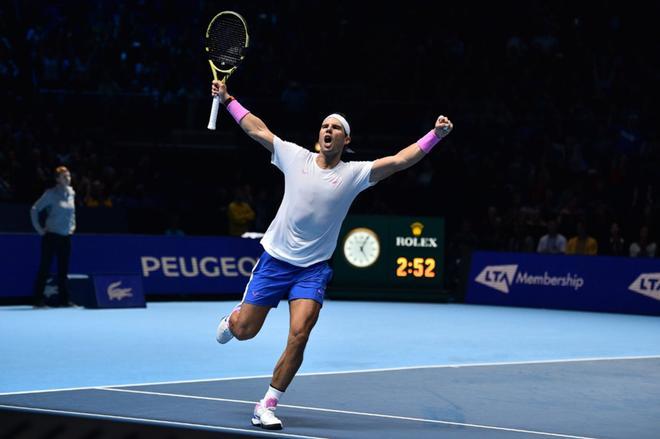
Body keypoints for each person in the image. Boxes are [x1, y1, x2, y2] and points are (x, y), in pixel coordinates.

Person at [211, 79, 453, 430]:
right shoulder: (295, 157)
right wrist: (228, 99)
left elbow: (401, 160)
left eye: (336, 127)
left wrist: (435, 136)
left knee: (300, 334)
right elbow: (258, 130)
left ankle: (267, 402)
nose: (328, 130)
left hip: (312, 270)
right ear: (318, 135)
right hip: (276, 260)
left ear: (346, 140)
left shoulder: (354, 174)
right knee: (245, 330)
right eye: (325, 125)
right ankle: (235, 318)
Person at [30, 166, 76, 308]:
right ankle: (38, 301)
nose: (67, 178)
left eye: (68, 176)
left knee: (64, 269)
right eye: (64, 176)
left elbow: (72, 212)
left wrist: (73, 226)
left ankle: (64, 300)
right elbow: (34, 209)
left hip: (66, 236)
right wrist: (39, 229)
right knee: (45, 268)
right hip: (51, 236)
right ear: (57, 179)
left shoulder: (72, 192)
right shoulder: (50, 194)